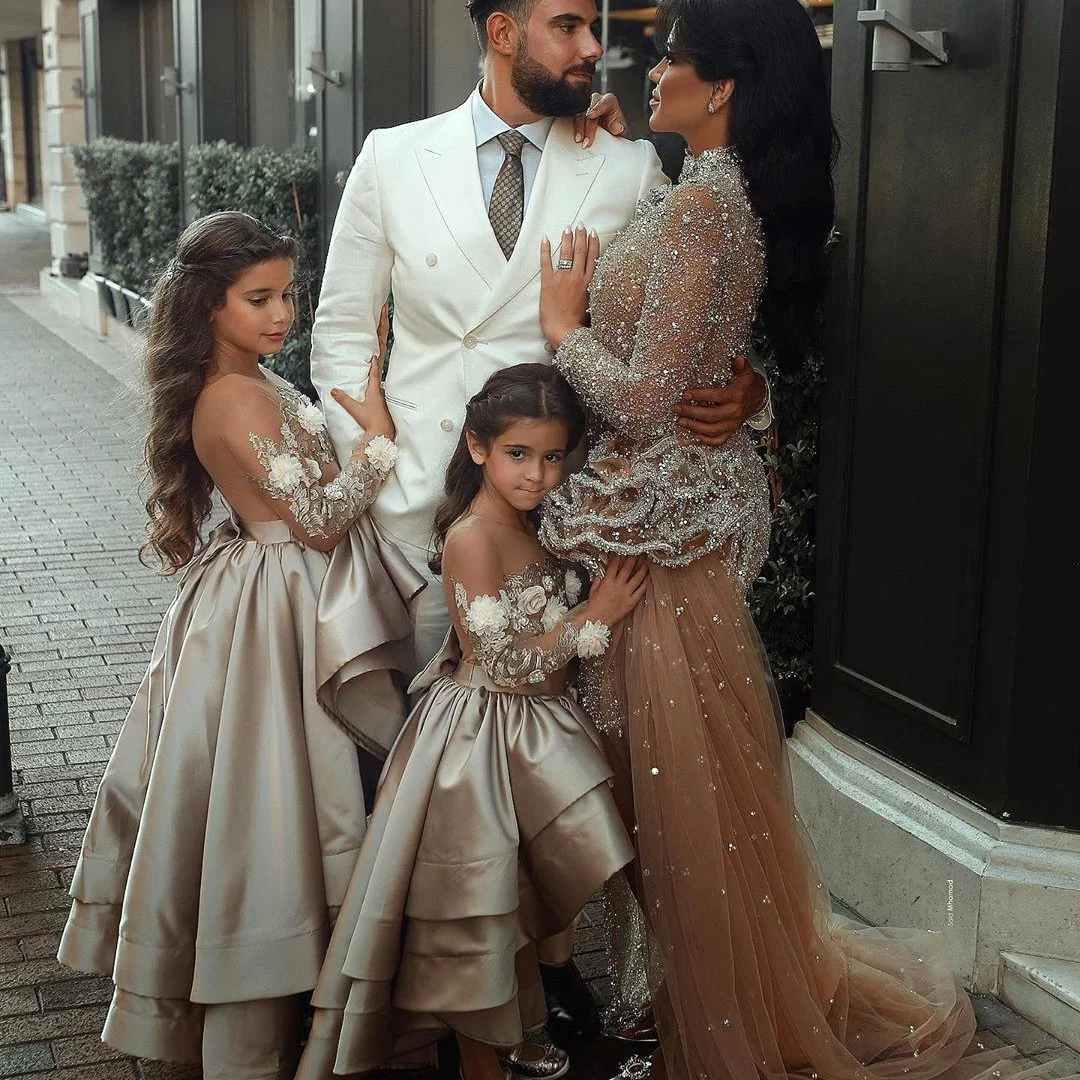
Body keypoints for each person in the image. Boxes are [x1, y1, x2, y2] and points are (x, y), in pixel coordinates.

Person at [538, 2, 1077, 1079]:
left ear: (724, 84)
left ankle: (700, 1006)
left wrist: (563, 329)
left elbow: (644, 400)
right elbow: (697, 364)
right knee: (673, 789)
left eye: (670, 56)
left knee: (670, 793)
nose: (648, 69)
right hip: (663, 526)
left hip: (663, 546)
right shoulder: (699, 193)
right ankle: (670, 996)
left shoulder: (702, 214)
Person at [311, 0, 772, 1046]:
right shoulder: (393, 156)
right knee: (435, 759)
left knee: (561, 759)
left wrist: (751, 396)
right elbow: (341, 331)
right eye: (567, 24)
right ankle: (433, 985)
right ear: (503, 28)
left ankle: (550, 970)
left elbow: (681, 325)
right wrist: (378, 453)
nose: (591, 48)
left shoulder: (623, 167)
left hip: (574, 514)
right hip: (424, 507)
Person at [56, 211, 423, 1080]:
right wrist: (378, 442)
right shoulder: (230, 396)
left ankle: (306, 981)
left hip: (278, 588)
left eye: (287, 293)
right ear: (206, 305)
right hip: (277, 608)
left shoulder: (251, 379)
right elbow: (325, 523)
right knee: (275, 791)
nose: (281, 313)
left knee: (293, 788)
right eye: (258, 298)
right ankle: (275, 981)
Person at [295, 364, 646, 1080]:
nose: (538, 475)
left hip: (543, 729)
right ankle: (479, 1059)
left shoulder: (542, 521)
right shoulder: (472, 538)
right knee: (482, 906)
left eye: (553, 458)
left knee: (519, 893)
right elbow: (503, 660)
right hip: (482, 740)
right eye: (519, 455)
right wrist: (595, 617)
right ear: (480, 448)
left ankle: (516, 1030)